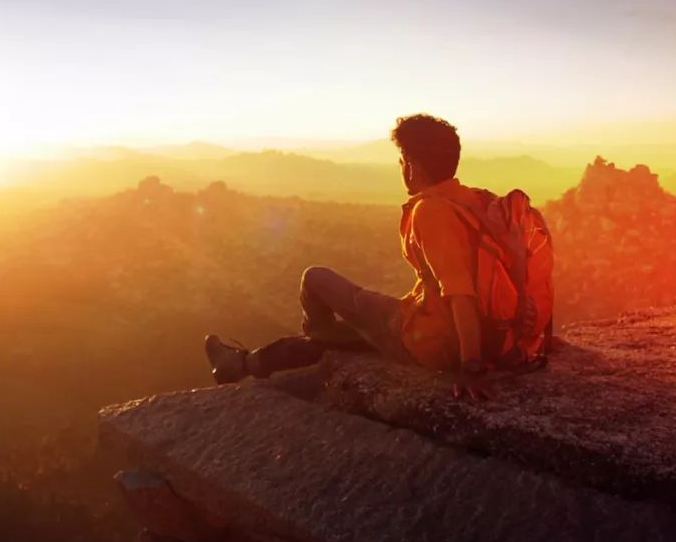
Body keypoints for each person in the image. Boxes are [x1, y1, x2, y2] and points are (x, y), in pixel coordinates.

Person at [205, 114, 496, 400]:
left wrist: (470, 365)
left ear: (411, 167)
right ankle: (243, 364)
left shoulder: (431, 211)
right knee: (352, 335)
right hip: (488, 337)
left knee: (315, 279)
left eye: (402, 161)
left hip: (433, 342)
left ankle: (314, 338)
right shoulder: (478, 201)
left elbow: (461, 293)